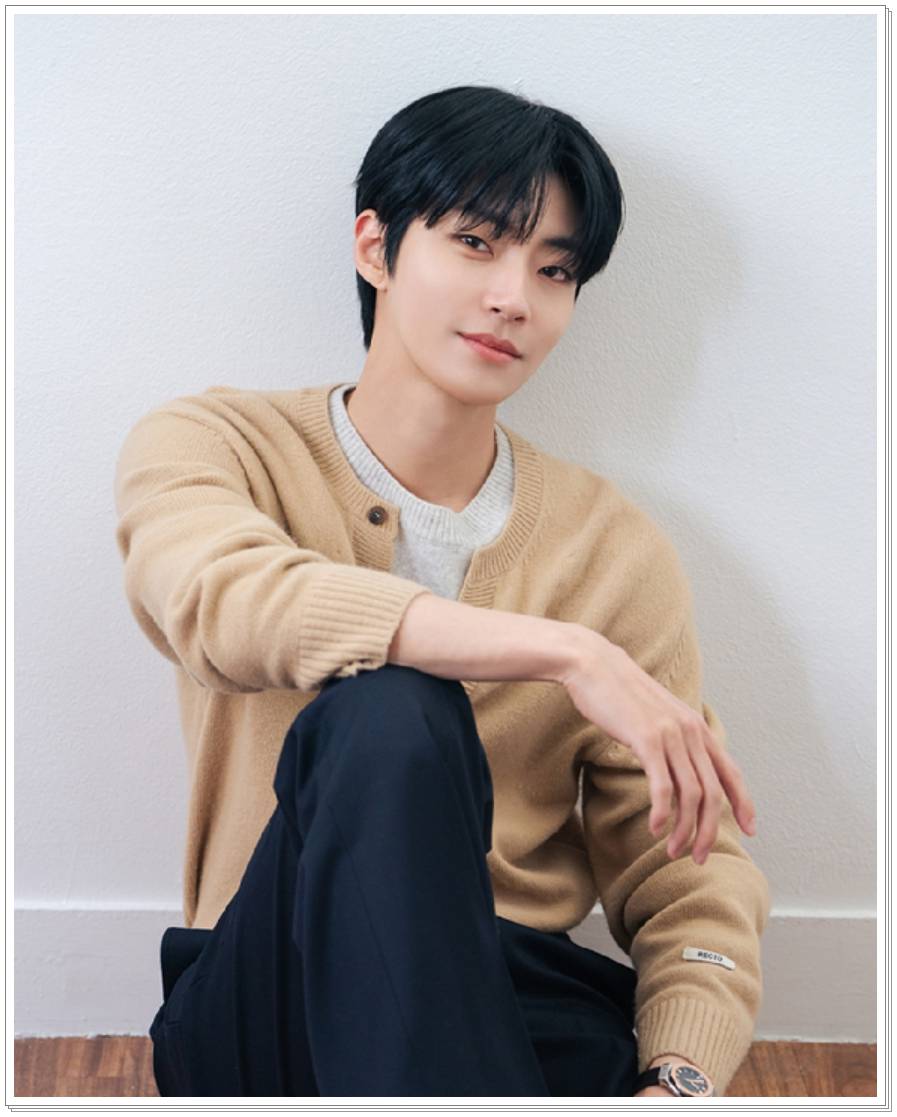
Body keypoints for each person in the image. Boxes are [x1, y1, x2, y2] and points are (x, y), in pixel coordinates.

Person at [114, 84, 769, 1099]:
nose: (515, 296)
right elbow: (221, 602)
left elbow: (689, 861)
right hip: (269, 984)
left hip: (508, 988)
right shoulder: (217, 445)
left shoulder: (612, 550)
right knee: (388, 712)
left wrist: (679, 1074)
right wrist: (565, 652)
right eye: (475, 242)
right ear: (375, 247)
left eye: (554, 270)